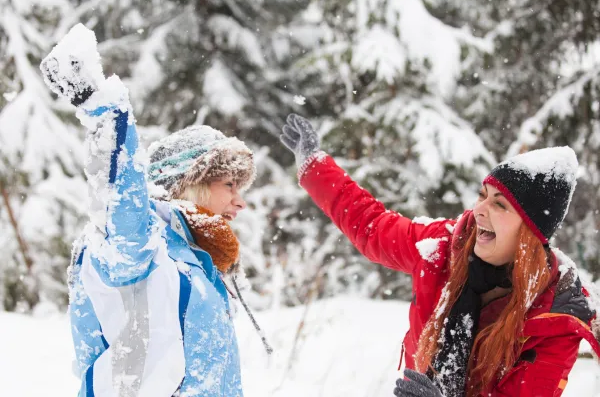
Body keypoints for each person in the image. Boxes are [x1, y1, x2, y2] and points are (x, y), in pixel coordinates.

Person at [279, 113, 600, 396]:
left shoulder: (555, 319)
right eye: (482, 195)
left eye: (500, 204)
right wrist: (314, 165)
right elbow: (372, 226)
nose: (479, 211)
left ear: (529, 234)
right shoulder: (445, 247)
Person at [40, 24, 255, 396]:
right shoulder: (141, 247)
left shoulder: (197, 263)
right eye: (229, 185)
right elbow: (122, 201)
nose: (240, 201)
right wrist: (105, 113)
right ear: (190, 182)